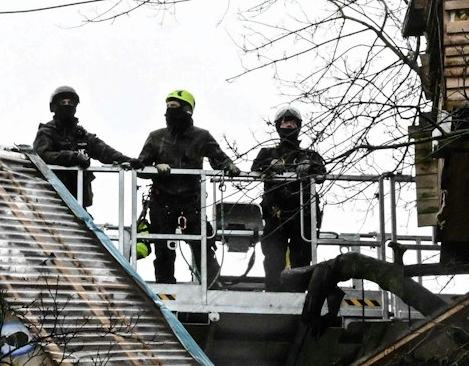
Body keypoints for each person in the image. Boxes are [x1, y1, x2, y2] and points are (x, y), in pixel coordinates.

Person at [134, 89, 238, 285]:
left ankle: (212, 286)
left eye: (174, 107)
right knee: (163, 250)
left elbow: (219, 159)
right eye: (168, 107)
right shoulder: (156, 137)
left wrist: (229, 167)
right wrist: (155, 168)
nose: (169, 111)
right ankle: (166, 288)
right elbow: (140, 167)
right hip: (162, 201)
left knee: (203, 246)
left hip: (191, 203)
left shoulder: (202, 136)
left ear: (187, 110)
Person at [251, 106, 326, 289]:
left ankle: (299, 294)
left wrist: (309, 165)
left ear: (298, 126)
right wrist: (269, 166)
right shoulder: (267, 153)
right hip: (275, 214)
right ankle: (273, 294)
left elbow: (322, 174)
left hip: (303, 215)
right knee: (273, 257)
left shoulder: (309, 155)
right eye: (285, 121)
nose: (288, 124)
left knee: (301, 258)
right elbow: (254, 170)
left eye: (292, 122)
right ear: (278, 126)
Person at [31, 85, 130, 207]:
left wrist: (128, 160)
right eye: (63, 102)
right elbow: (41, 155)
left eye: (70, 102)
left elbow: (105, 151)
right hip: (51, 199)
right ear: (54, 106)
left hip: (78, 200)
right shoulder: (46, 132)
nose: (67, 105)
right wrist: (73, 157)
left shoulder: (81, 135)